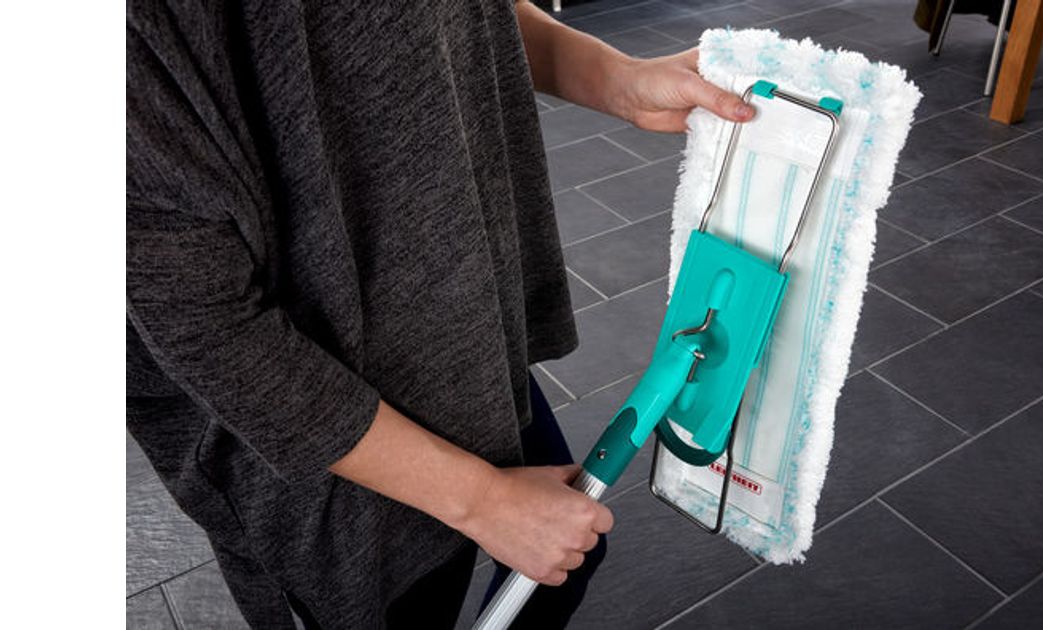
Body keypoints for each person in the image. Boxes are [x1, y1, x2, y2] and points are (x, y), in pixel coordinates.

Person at [126, 1, 754, 628]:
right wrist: (480, 500)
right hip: (315, 420)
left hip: (458, 329)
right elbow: (207, 329)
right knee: (420, 600)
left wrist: (617, 80)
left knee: (561, 565)